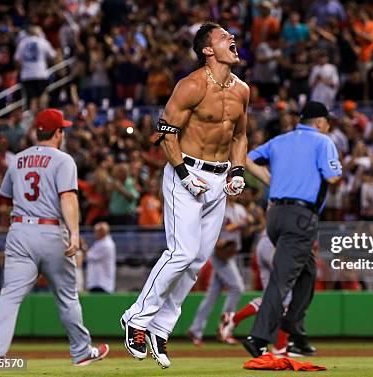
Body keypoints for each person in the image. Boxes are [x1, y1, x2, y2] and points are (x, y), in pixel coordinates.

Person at [120, 22, 248, 370]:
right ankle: (136, 317)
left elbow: (239, 136)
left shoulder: (242, 90)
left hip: (219, 181)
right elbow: (165, 131)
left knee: (196, 263)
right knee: (182, 252)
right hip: (185, 173)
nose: (231, 39)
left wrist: (237, 171)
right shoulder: (191, 85)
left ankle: (161, 327)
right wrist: (182, 174)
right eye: (223, 37)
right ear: (208, 50)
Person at [0, 109, 109, 365]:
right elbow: (68, 197)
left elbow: (6, 197)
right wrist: (75, 233)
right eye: (62, 129)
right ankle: (81, 351)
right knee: (66, 296)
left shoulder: (17, 159)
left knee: (9, 295)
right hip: (51, 231)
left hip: (19, 231)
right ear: (59, 133)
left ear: (36, 132)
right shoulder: (63, 160)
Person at [242, 101, 342, 357]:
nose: (328, 126)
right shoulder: (323, 141)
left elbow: (246, 159)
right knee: (281, 280)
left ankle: (295, 332)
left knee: (307, 274)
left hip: (275, 216)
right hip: (300, 218)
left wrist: (272, 180)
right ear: (319, 122)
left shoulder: (279, 141)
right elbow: (332, 177)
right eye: (327, 122)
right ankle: (259, 336)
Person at [187, 196, 247, 346]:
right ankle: (225, 327)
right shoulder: (220, 207)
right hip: (220, 256)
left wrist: (245, 224)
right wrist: (216, 240)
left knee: (212, 296)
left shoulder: (239, 209)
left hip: (232, 253)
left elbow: (245, 231)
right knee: (237, 288)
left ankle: (196, 329)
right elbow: (208, 227)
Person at [14, 26, 57, 112]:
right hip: (40, 73)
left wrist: (23, 69)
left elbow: (17, 59)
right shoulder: (43, 42)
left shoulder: (23, 42)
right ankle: (42, 115)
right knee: (43, 95)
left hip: (27, 75)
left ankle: (34, 118)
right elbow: (53, 56)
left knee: (32, 98)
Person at [85, 222, 116, 293]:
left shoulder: (107, 245)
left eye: (96, 231)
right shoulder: (99, 242)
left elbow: (90, 256)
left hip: (102, 282)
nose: (95, 234)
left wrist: (83, 247)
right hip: (96, 281)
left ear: (102, 232)